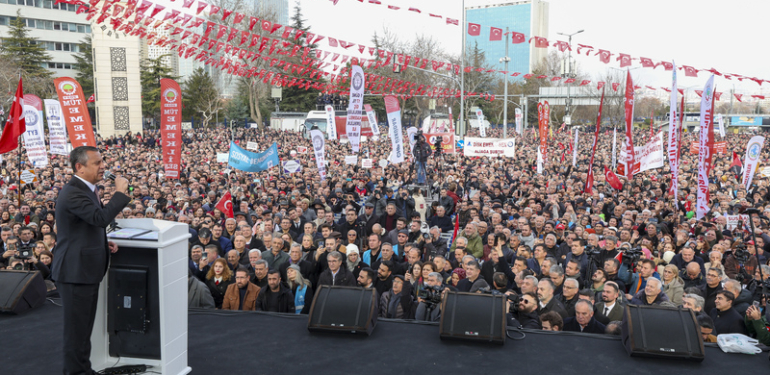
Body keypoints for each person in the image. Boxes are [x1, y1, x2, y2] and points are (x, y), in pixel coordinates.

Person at [50, 146, 131, 375]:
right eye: (97, 163)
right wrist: (121, 194)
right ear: (80, 167)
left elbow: (82, 226)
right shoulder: (74, 191)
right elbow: (99, 218)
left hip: (84, 269)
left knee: (84, 329)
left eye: (102, 161)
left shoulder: (87, 189)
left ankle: (83, 370)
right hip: (75, 272)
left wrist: (101, 243)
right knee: (76, 332)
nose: (103, 166)